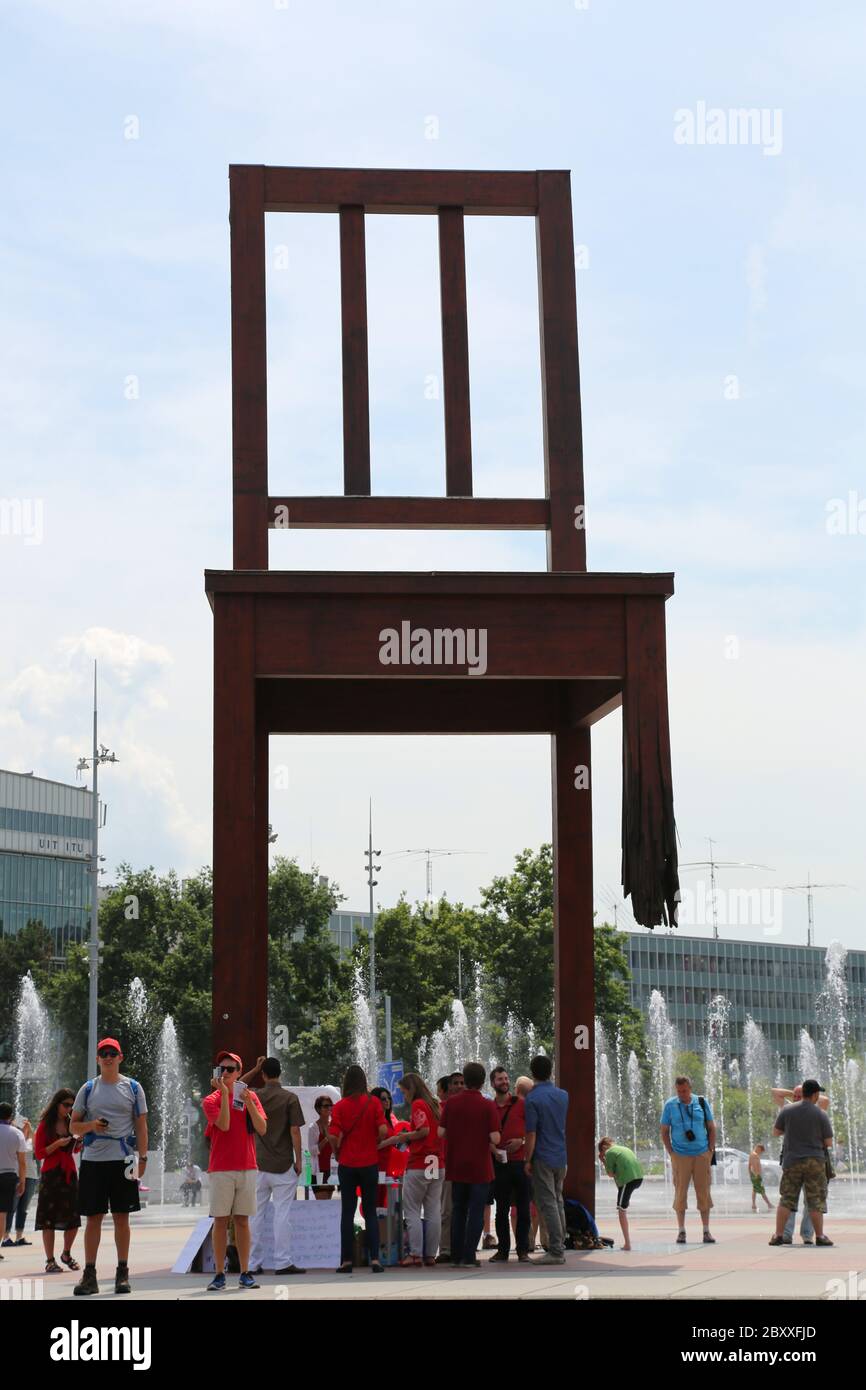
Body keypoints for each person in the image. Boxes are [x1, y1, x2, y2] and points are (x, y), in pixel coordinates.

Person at [70, 1037, 148, 1295]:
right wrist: (92, 1126)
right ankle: (89, 1274)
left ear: (120, 1057)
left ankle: (122, 1273)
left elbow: (141, 1125)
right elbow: (73, 1127)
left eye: (112, 1052)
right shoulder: (88, 1088)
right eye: (103, 1053)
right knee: (93, 1218)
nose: (108, 1057)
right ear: (97, 1059)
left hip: (123, 1159)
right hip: (93, 1160)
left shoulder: (134, 1088)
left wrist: (143, 1158)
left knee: (121, 1218)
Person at [202, 1049, 268, 1290]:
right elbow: (224, 1124)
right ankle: (219, 1273)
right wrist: (224, 1094)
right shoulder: (211, 1099)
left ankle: (245, 1272)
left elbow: (262, 1128)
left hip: (247, 1165)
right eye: (223, 1069)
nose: (226, 1073)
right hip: (221, 1168)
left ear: (240, 1072)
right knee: (220, 1221)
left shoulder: (251, 1096)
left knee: (242, 1221)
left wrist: (249, 1101)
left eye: (231, 1069)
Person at [241, 1055, 306, 1276]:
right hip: (283, 1164)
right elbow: (295, 1131)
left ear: (264, 1074)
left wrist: (254, 1067)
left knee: (255, 1215)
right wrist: (299, 1160)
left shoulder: (254, 1096)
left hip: (258, 1164)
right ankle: (282, 1262)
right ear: (280, 1073)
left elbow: (237, 1086)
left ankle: (252, 1263)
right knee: (282, 1214)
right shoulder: (290, 1098)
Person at [438, 1061, 500, 1268]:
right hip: (480, 1167)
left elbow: (441, 1133)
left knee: (458, 1210)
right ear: (483, 1082)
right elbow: (495, 1138)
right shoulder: (488, 1105)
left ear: (466, 1080)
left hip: (456, 1164)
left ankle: (455, 1255)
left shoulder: (451, 1104)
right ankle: (469, 1255)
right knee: (475, 1211)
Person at [328, 1065, 389, 1274]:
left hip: (347, 1164)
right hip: (369, 1163)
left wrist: (337, 1149)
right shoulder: (373, 1103)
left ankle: (346, 1261)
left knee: (347, 1212)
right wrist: (375, 1140)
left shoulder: (340, 1106)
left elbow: (334, 1136)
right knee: (370, 1212)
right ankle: (374, 1259)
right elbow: (383, 1129)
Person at [382, 1071, 442, 1266]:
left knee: (412, 1210)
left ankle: (415, 1253)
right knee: (433, 1210)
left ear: (410, 1089)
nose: (403, 1096)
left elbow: (423, 1130)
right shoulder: (435, 1105)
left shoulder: (418, 1104)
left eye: (403, 1091)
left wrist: (405, 1137)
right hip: (437, 1163)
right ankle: (431, 1254)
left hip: (419, 1163)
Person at [769, 1079, 834, 1248]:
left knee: (787, 1199)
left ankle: (778, 1235)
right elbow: (828, 1142)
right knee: (815, 1200)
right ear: (815, 1094)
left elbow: (776, 1132)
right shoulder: (820, 1114)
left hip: (792, 1160)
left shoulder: (788, 1110)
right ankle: (819, 1236)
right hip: (815, 1161)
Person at [660, 1074, 715, 1246]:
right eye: (679, 1091)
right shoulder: (670, 1105)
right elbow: (664, 1131)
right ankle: (681, 1231)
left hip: (701, 1154)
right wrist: (671, 1153)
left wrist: (710, 1151)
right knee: (680, 1193)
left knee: (704, 1192)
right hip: (680, 1155)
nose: (682, 1095)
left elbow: (712, 1128)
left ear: (690, 1088)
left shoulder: (701, 1102)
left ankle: (706, 1231)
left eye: (684, 1091)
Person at [524, 1055, 569, 1265]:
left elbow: (531, 1134)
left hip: (543, 1156)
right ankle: (560, 1245)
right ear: (550, 1070)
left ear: (532, 1073)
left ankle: (556, 1250)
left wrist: (527, 1159)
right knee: (558, 1201)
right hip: (561, 1156)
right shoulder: (563, 1095)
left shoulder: (532, 1099)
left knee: (548, 1202)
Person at [33, 1089, 82, 1273]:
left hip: (69, 1173)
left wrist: (79, 1142)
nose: (69, 1108)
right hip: (51, 1174)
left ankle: (66, 1254)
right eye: (66, 1105)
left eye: (72, 1105)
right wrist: (57, 1144)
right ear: (57, 1104)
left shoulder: (72, 1123)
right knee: (48, 1219)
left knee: (73, 1217)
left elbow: (75, 1150)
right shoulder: (46, 1125)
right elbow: (38, 1153)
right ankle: (50, 1260)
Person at [488, 1066, 531, 1263]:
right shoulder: (489, 1108)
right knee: (502, 1209)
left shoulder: (522, 1105)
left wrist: (520, 1142)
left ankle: (523, 1249)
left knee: (523, 1208)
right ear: (492, 1084)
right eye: (499, 1079)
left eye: (506, 1078)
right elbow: (483, 1135)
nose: (504, 1082)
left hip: (521, 1163)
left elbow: (532, 1132)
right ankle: (503, 1250)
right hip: (500, 1163)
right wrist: (494, 1150)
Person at [598, 1137, 643, 1251]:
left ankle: (627, 1244)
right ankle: (627, 1242)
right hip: (638, 1178)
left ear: (603, 1148)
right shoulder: (623, 1148)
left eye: (601, 1152)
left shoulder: (609, 1153)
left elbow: (610, 1174)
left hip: (628, 1180)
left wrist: (603, 1160)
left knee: (621, 1210)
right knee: (622, 1206)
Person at [372, 1085, 411, 1207]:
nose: (387, 1101)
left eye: (388, 1098)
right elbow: (371, 1147)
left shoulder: (388, 1120)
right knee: (375, 1203)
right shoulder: (373, 1120)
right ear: (375, 1101)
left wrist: (404, 1141)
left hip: (387, 1167)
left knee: (384, 1205)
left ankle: (383, 1226)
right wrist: (392, 1140)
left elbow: (394, 1144)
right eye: (383, 1099)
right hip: (375, 1166)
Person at [2, 1117, 36, 1246]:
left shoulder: (30, 1140)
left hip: (31, 1175)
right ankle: (6, 1236)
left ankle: (19, 1236)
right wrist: (23, 1132)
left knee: (24, 1208)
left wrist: (31, 1130)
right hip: (17, 1175)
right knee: (11, 1207)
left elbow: (37, 1148)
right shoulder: (15, 1138)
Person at [0, 1102, 26, 1257]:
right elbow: (22, 1162)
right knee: (2, 1214)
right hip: (9, 1176)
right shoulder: (17, 1133)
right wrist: (22, 1182)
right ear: (10, 1116)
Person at [434, 1076, 453, 1263]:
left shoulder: (440, 1109)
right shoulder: (440, 1108)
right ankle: (448, 1246)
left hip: (445, 1163)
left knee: (445, 1209)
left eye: (438, 1090)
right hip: (447, 1163)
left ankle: (446, 1247)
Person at [310, 1095, 334, 1182]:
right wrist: (326, 1138)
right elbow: (312, 1151)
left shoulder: (334, 1125)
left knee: (328, 1196)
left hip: (332, 1170)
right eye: (326, 1106)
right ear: (318, 1109)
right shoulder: (313, 1127)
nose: (329, 1108)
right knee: (322, 1196)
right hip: (318, 1171)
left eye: (331, 1105)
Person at [749, 1144, 772, 1213]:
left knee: (754, 1190)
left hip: (754, 1175)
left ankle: (753, 1204)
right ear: (758, 1148)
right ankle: (769, 1204)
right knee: (762, 1190)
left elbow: (749, 1165)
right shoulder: (755, 1155)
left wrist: (750, 1174)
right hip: (756, 1176)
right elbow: (755, 1166)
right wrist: (757, 1175)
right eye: (761, 1151)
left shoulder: (752, 1154)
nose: (761, 1153)